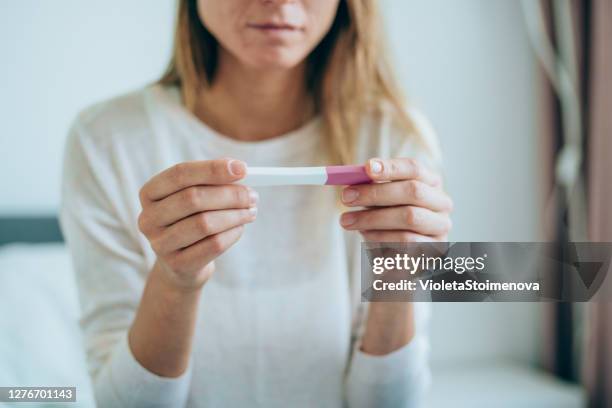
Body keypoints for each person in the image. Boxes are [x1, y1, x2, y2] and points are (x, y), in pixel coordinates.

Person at [60, 0, 453, 407]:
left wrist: (397, 278)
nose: (280, 3)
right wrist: (176, 280)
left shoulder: (395, 137)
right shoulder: (105, 141)